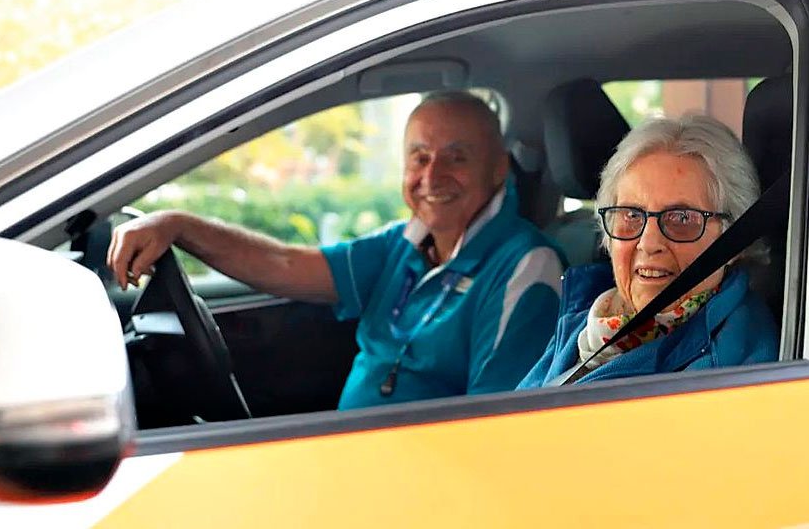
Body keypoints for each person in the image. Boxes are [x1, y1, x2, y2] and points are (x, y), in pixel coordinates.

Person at [108, 91, 566, 409]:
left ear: (498, 169)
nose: (432, 176)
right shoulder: (403, 242)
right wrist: (178, 226)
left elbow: (497, 424)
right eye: (419, 157)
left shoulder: (525, 266)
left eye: (457, 157)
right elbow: (285, 264)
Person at [517, 114, 779, 389]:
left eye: (682, 219)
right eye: (631, 214)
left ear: (734, 239)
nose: (648, 243)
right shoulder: (592, 316)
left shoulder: (722, 373)